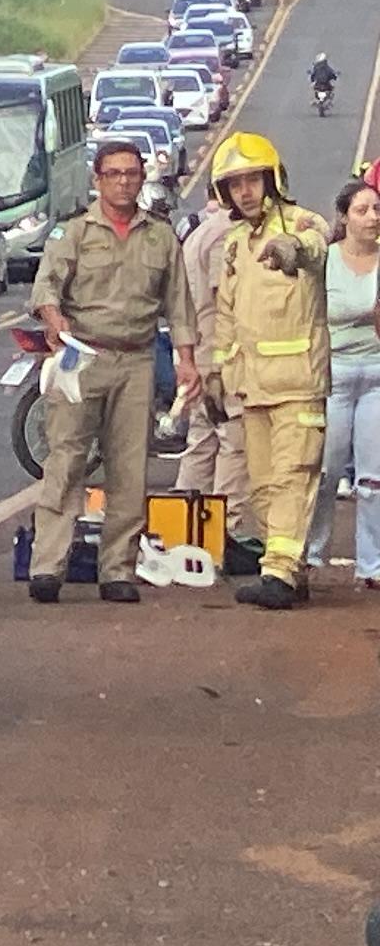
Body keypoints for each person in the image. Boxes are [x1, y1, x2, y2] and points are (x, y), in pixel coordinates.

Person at [26, 140, 198, 604]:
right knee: (66, 461)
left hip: (137, 360)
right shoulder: (75, 233)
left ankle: (118, 568)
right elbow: (46, 288)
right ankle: (47, 566)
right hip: (83, 358)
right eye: (114, 174)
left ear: (142, 178)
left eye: (132, 173)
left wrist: (186, 360)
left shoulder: (160, 236)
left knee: (129, 467)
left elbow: (179, 304)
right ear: (97, 180)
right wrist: (54, 320)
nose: (124, 182)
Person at [203, 131, 334, 610]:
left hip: (299, 385)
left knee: (293, 477)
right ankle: (290, 571)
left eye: (252, 180)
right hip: (253, 389)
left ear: (272, 179)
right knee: (262, 486)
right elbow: (226, 315)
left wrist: (291, 249)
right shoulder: (235, 244)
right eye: (234, 184)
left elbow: (318, 246)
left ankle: (277, 574)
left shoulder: (302, 223)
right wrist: (216, 376)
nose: (244, 191)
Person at [173, 196, 254, 545]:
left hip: (201, 350)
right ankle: (226, 531)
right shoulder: (227, 234)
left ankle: (180, 529)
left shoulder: (201, 232)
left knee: (201, 442)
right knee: (233, 442)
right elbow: (227, 298)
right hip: (223, 355)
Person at [315, 179, 380, 589]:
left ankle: (372, 564)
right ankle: (310, 553)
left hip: (377, 375)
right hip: (334, 376)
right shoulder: (327, 261)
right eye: (362, 210)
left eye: (376, 209)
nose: (372, 218)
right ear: (344, 217)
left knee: (373, 480)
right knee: (325, 471)